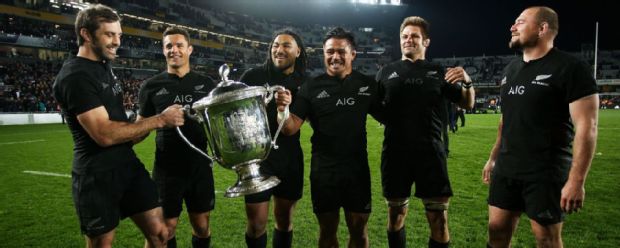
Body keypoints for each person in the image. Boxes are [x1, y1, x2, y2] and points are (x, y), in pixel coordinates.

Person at [52, 4, 183, 247]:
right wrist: (159, 120)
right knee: (103, 244)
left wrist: (142, 124)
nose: (116, 42)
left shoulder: (103, 65)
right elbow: (103, 134)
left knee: (161, 234)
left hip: (127, 166)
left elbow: (118, 122)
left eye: (119, 35)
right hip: (96, 176)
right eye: (109, 34)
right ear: (86, 34)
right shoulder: (75, 76)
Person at [482, 6, 598, 248]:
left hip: (545, 171)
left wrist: (576, 181)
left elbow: (587, 126)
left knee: (546, 239)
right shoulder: (510, 70)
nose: (512, 27)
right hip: (507, 167)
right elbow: (506, 121)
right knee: (496, 231)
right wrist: (493, 158)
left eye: (520, 22)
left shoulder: (570, 68)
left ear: (542, 28)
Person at [277, 27, 383, 248]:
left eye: (341, 51)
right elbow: (290, 128)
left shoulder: (367, 85)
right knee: (327, 232)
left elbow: (390, 116)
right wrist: (282, 110)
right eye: (330, 51)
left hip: (357, 170)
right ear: (324, 53)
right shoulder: (311, 87)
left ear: (352, 54)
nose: (335, 56)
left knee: (359, 230)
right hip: (324, 172)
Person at [375, 16, 475, 248]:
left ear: (426, 42)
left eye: (414, 36)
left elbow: (467, 104)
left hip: (431, 153)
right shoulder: (385, 72)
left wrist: (468, 83)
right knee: (396, 216)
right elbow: (374, 107)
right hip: (395, 154)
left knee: (439, 220)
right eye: (404, 36)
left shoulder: (438, 71)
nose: (408, 40)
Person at [137, 27, 216, 248]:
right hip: (167, 169)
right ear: (163, 51)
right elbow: (139, 126)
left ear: (189, 49)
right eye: (169, 46)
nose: (174, 50)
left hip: (200, 165)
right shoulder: (152, 86)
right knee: (165, 229)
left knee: (201, 226)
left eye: (179, 45)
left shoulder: (207, 84)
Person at [238, 29, 308, 248]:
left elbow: (294, 127)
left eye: (286, 45)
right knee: (256, 224)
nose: (279, 49)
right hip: (257, 160)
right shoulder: (252, 77)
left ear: (298, 51)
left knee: (285, 221)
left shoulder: (306, 83)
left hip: (289, 159)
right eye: (276, 45)